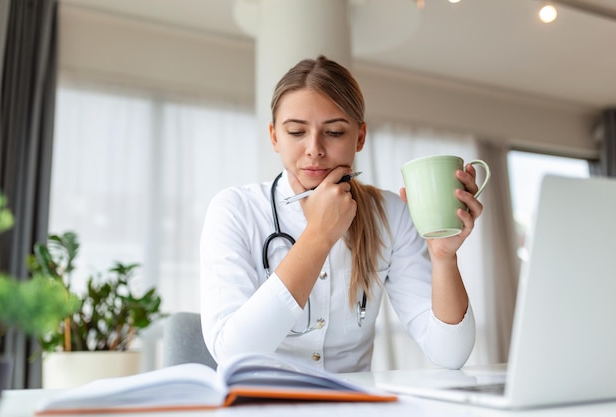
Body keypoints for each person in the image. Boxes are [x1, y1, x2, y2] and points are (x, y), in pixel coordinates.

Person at [200, 55, 481, 373]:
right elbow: (233, 354)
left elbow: (450, 355)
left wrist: (444, 257)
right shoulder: (235, 210)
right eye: (296, 132)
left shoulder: (391, 214)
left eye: (333, 133)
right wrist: (319, 236)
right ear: (274, 136)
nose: (314, 149)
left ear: (360, 137)